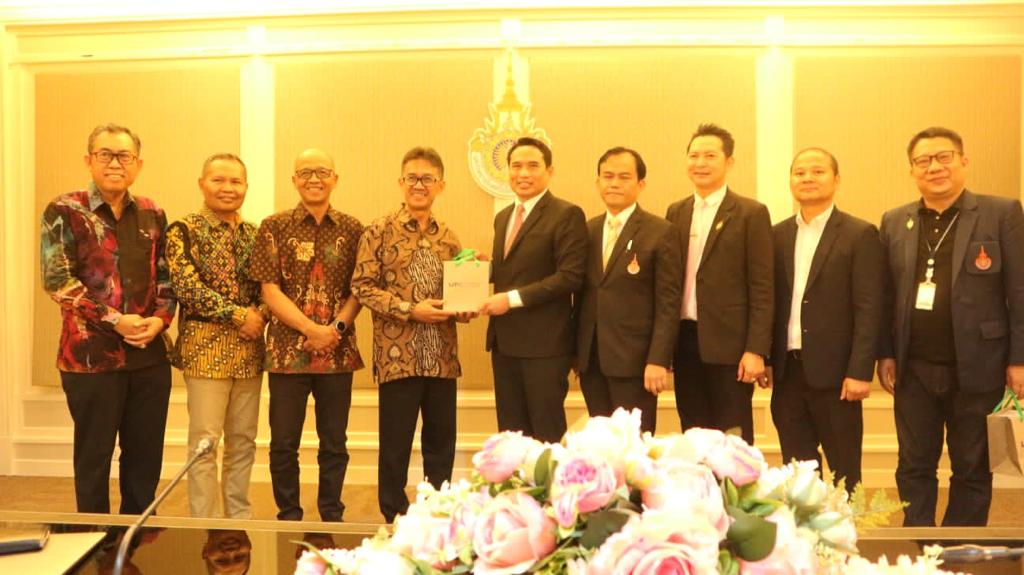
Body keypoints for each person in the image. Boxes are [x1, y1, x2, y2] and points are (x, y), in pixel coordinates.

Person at [877, 126, 1024, 526]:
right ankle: (921, 546)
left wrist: (1018, 359)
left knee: (972, 466)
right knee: (913, 465)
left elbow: (1019, 291)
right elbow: (885, 296)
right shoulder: (895, 221)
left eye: (944, 157)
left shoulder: (1001, 213)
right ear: (912, 170)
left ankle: (960, 548)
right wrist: (886, 352)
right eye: (923, 161)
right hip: (914, 368)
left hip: (980, 364)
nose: (934, 167)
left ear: (963, 161)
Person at [40, 123, 175, 514]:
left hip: (149, 356)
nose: (115, 163)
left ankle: (138, 535)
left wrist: (160, 321)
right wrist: (115, 320)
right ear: (89, 160)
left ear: (138, 164)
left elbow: (167, 278)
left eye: (124, 156)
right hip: (90, 358)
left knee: (145, 455)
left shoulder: (152, 212)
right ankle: (93, 538)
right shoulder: (64, 210)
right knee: (94, 456)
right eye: (105, 154)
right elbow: (58, 281)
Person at [352, 147, 475, 522]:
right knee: (395, 447)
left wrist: (466, 307)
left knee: (441, 446)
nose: (419, 185)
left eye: (427, 179)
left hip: (442, 359)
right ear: (401, 182)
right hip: (398, 359)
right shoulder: (378, 231)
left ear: (440, 185)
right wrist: (410, 309)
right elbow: (362, 287)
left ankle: (437, 516)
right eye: (412, 178)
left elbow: (457, 296)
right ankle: (394, 518)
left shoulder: (449, 239)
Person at [249, 148, 364, 522]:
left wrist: (336, 329)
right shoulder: (274, 226)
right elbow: (269, 290)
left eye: (322, 171)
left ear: (335, 178)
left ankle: (332, 514)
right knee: (283, 443)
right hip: (287, 354)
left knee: (335, 443)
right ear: (294, 180)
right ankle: (289, 514)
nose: (314, 179)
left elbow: (359, 289)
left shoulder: (353, 229)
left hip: (338, 353)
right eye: (305, 172)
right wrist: (310, 329)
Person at [768, 148, 883, 491]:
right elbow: (768, 301)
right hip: (787, 373)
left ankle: (848, 527)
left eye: (817, 171)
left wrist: (860, 370)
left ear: (836, 180)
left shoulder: (859, 233)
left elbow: (869, 307)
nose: (807, 178)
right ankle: (805, 527)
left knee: (846, 474)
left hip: (838, 377)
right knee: (798, 474)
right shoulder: (776, 235)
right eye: (799, 172)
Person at [166, 153, 266, 519]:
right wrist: (240, 315)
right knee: (205, 444)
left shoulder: (256, 234)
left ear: (246, 187)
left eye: (235, 181)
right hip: (204, 352)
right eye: (218, 180)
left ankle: (238, 520)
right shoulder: (183, 230)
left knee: (243, 442)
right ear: (202, 184)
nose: (228, 188)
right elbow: (187, 288)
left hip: (249, 352)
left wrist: (260, 314)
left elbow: (270, 287)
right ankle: (204, 524)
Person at [664, 123, 773, 445]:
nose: (700, 163)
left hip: (731, 347)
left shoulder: (750, 213)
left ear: (729, 162)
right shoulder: (676, 211)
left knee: (733, 438)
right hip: (685, 341)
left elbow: (763, 287)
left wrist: (755, 350)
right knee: (694, 435)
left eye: (710, 156)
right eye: (694, 155)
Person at [478, 137, 588, 443]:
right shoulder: (503, 217)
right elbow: (515, 271)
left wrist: (511, 300)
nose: (523, 173)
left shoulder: (566, 214)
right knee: (512, 436)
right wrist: (482, 270)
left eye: (532, 166)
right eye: (516, 166)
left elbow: (569, 277)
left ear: (549, 171)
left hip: (545, 347)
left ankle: (550, 479)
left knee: (546, 434)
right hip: (504, 343)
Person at [575, 147, 683, 433]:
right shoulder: (587, 230)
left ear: (640, 184)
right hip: (592, 360)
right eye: (607, 176)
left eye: (624, 177)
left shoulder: (660, 231)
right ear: (598, 182)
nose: (614, 183)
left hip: (636, 363)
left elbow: (669, 303)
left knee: (636, 445)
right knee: (600, 443)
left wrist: (658, 359)